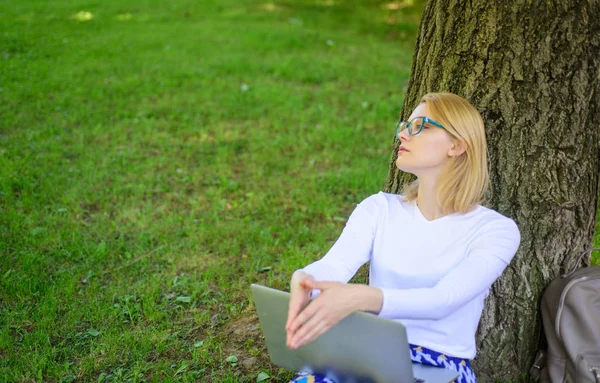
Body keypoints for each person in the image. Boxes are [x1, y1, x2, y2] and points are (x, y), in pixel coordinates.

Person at [283, 92, 521, 383]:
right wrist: (306, 278)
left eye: (421, 125)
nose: (404, 135)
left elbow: (443, 300)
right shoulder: (378, 208)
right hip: (368, 351)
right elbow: (334, 265)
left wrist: (363, 298)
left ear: (457, 145)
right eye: (405, 126)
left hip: (439, 365)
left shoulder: (495, 230)